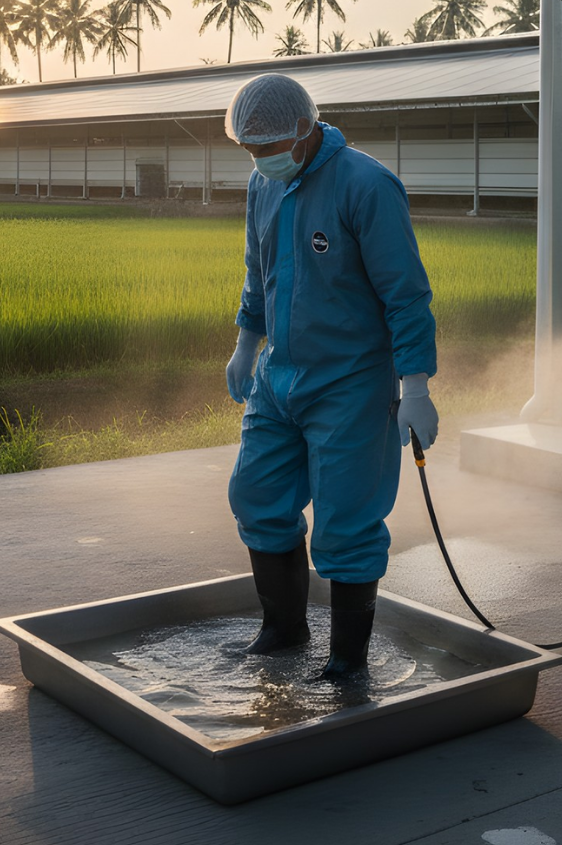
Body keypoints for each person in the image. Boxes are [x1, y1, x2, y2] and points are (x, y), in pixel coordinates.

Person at [222, 73, 438, 682]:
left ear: (304, 127)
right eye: (250, 150)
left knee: (346, 522)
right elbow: (256, 271)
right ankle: (284, 630)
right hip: (278, 377)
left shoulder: (366, 186)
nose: (261, 159)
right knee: (257, 495)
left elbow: (406, 296)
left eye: (268, 146)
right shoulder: (263, 184)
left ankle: (347, 660)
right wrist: (246, 343)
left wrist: (415, 387)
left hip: (351, 384)